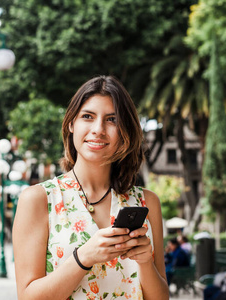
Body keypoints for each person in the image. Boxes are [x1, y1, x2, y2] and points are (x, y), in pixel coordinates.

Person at [13, 75, 168, 300]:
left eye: (112, 120)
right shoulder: (38, 199)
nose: (98, 129)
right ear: (71, 124)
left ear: (125, 131)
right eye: (88, 116)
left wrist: (145, 262)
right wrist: (83, 257)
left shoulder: (147, 202)